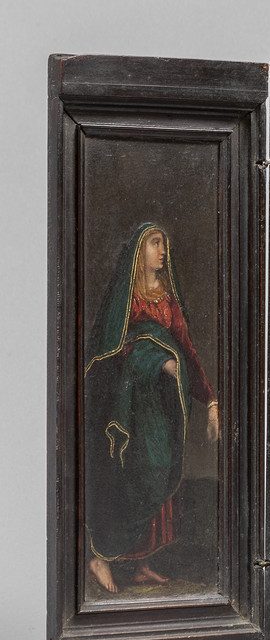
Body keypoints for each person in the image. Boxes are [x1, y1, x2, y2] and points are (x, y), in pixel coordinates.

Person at [83, 224, 220, 593]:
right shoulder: (127, 300)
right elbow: (114, 352)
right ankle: (102, 558)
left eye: (164, 244)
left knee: (161, 473)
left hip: (162, 406)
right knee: (136, 476)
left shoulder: (168, 300)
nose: (162, 251)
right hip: (130, 409)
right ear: (138, 251)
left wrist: (210, 400)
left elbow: (187, 351)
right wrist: (157, 360)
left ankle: (141, 565)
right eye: (155, 243)